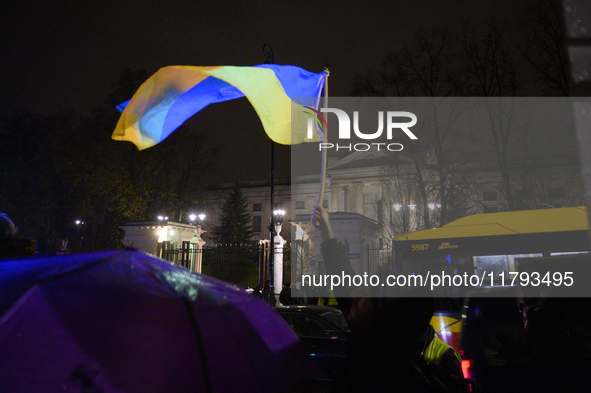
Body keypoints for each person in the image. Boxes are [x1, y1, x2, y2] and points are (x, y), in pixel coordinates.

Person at [311, 204, 463, 393]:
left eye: (364, 294)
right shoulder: (375, 331)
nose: (353, 295)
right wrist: (325, 228)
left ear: (384, 312)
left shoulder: (438, 363)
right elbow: (342, 275)